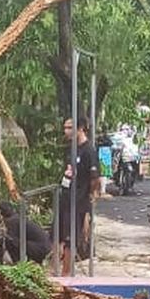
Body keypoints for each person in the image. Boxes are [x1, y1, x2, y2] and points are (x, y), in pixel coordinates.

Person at [56, 114, 101, 275]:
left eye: (69, 128)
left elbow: (95, 178)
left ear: (80, 128)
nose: (66, 131)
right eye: (65, 127)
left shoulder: (89, 151)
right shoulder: (72, 148)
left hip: (79, 201)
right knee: (59, 234)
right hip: (66, 197)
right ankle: (59, 267)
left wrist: (89, 197)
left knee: (71, 238)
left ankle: (66, 273)